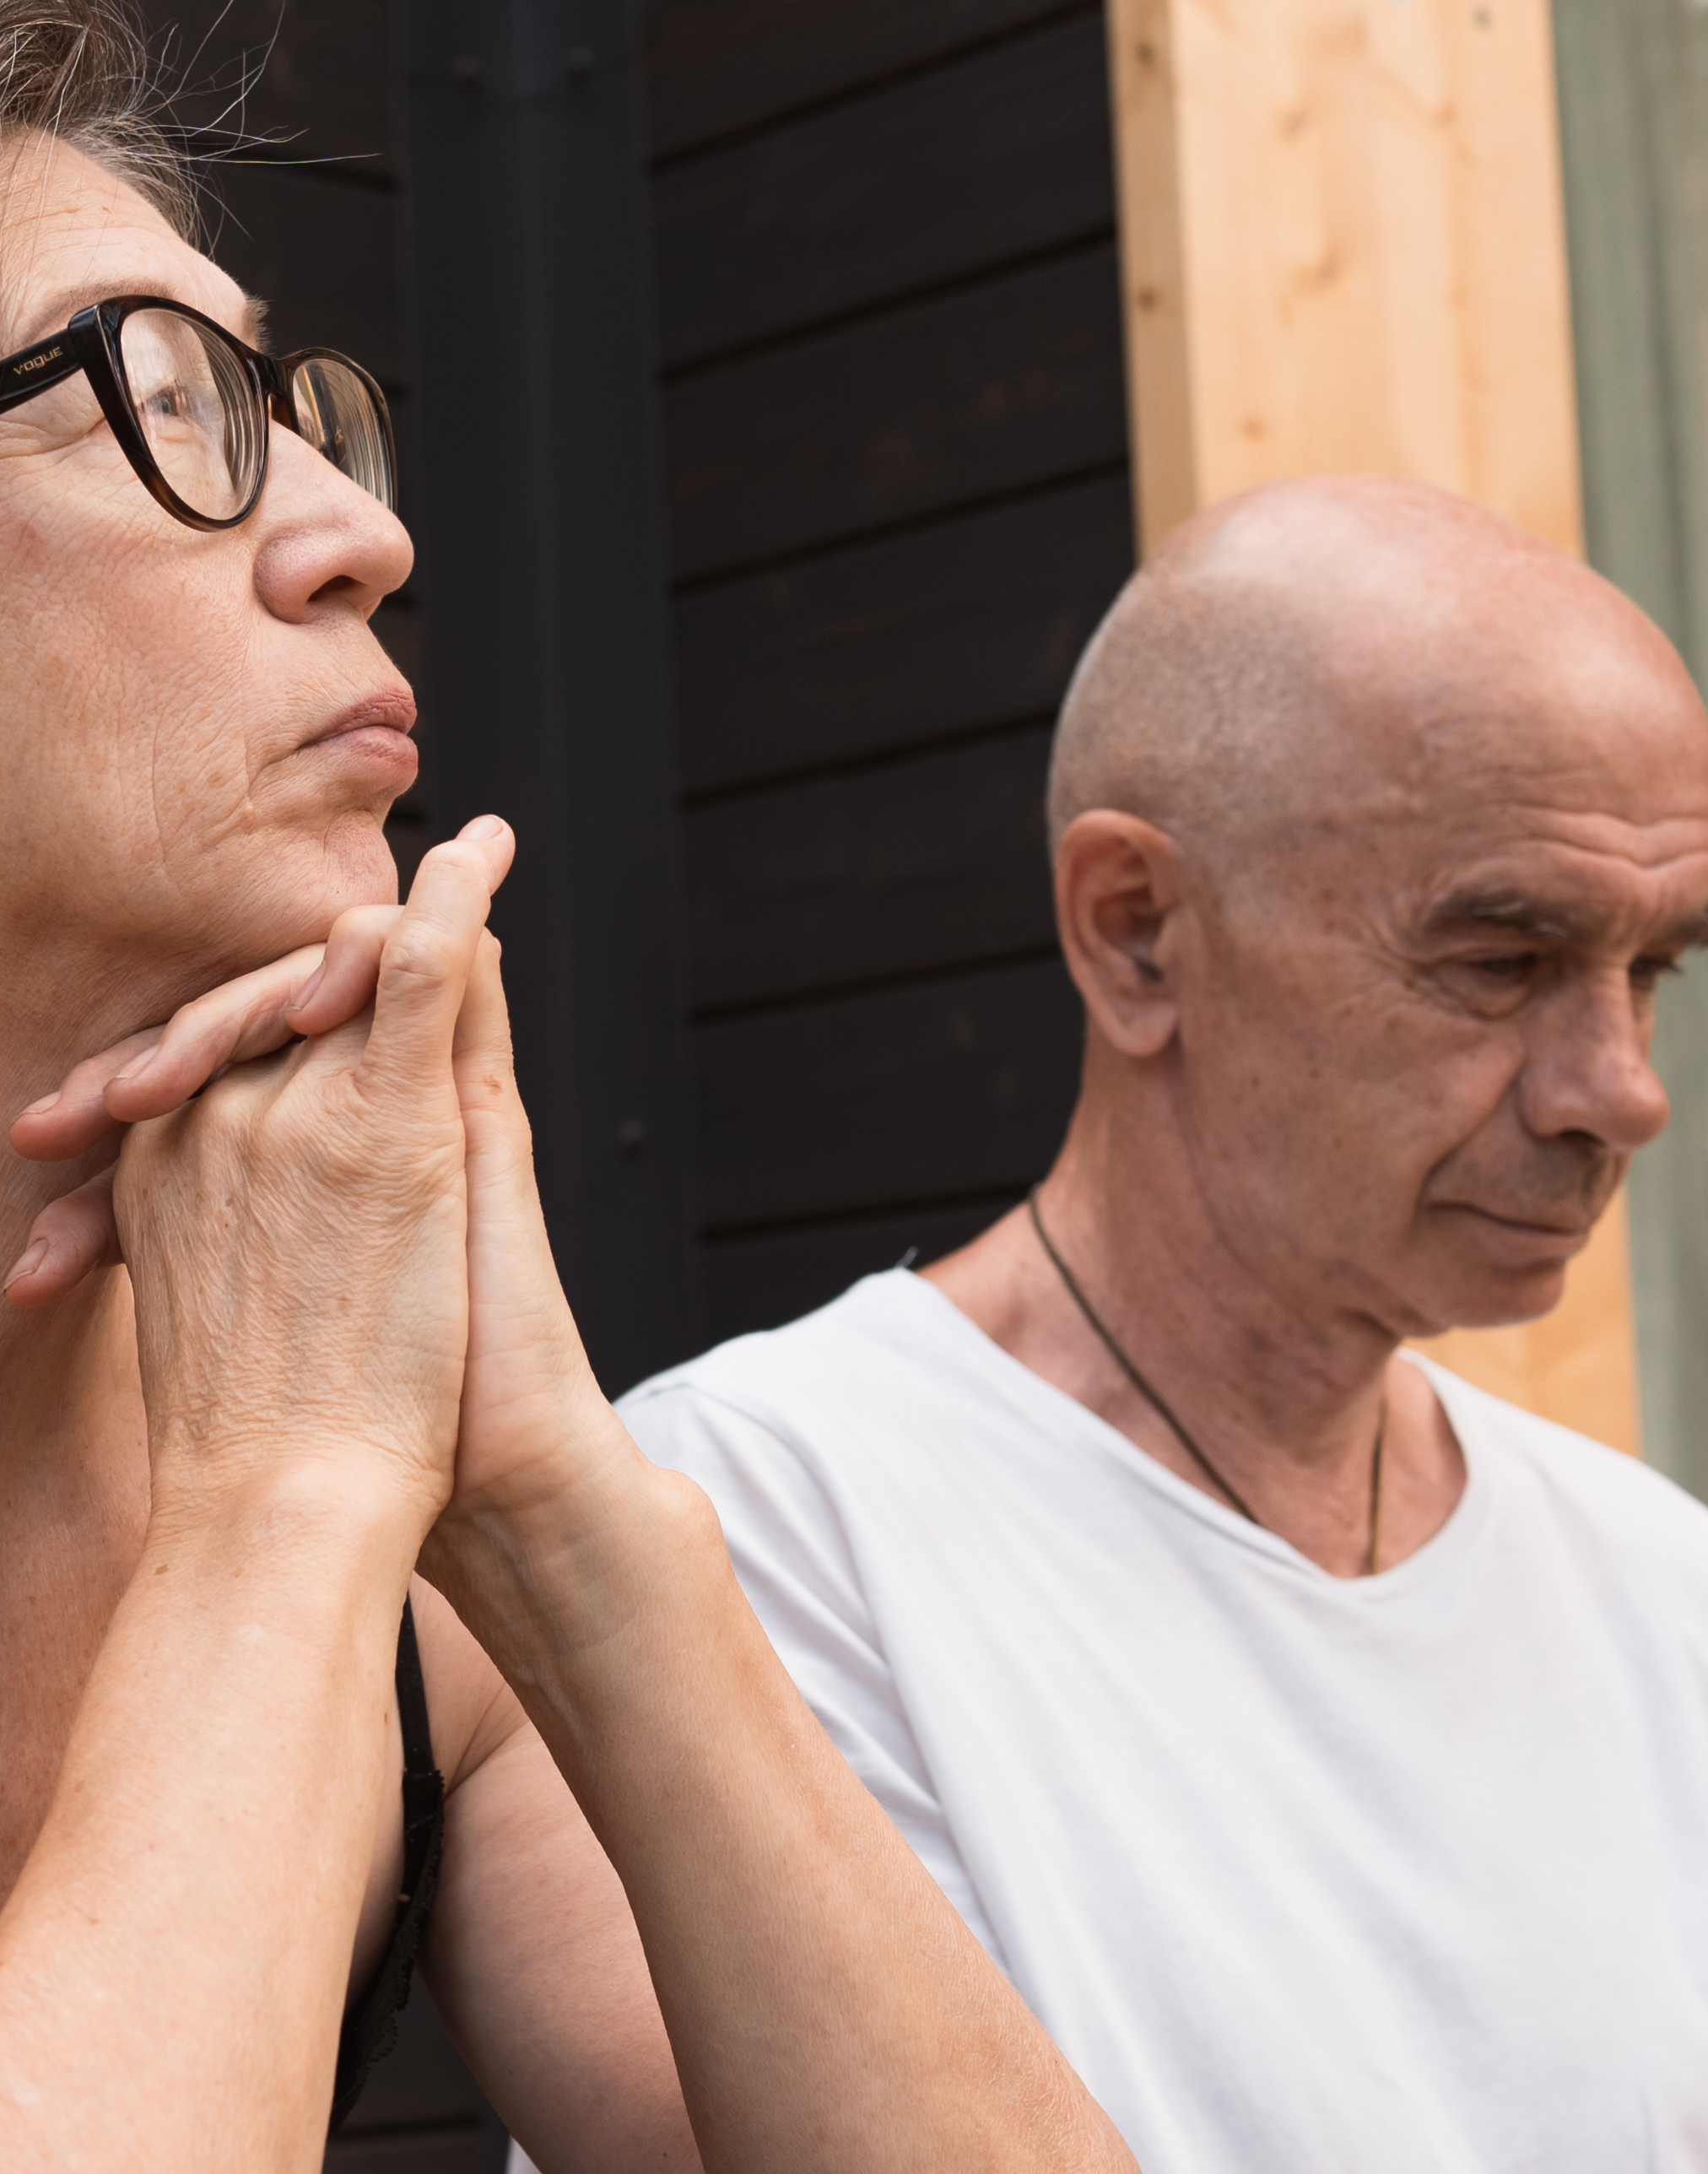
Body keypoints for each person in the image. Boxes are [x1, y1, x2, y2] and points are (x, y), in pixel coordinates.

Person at [0, 3, 1138, 2168]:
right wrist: (284, 1495)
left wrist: (561, 1511)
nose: (348, 537)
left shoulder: (377, 1467)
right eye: (152, 406)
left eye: (291, 412)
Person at [622, 477, 1708, 2173]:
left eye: (1654, 968)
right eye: (1503, 957)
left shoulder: (1660, 1589)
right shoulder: (743, 1528)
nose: (1618, 1091)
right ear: (1135, 931)